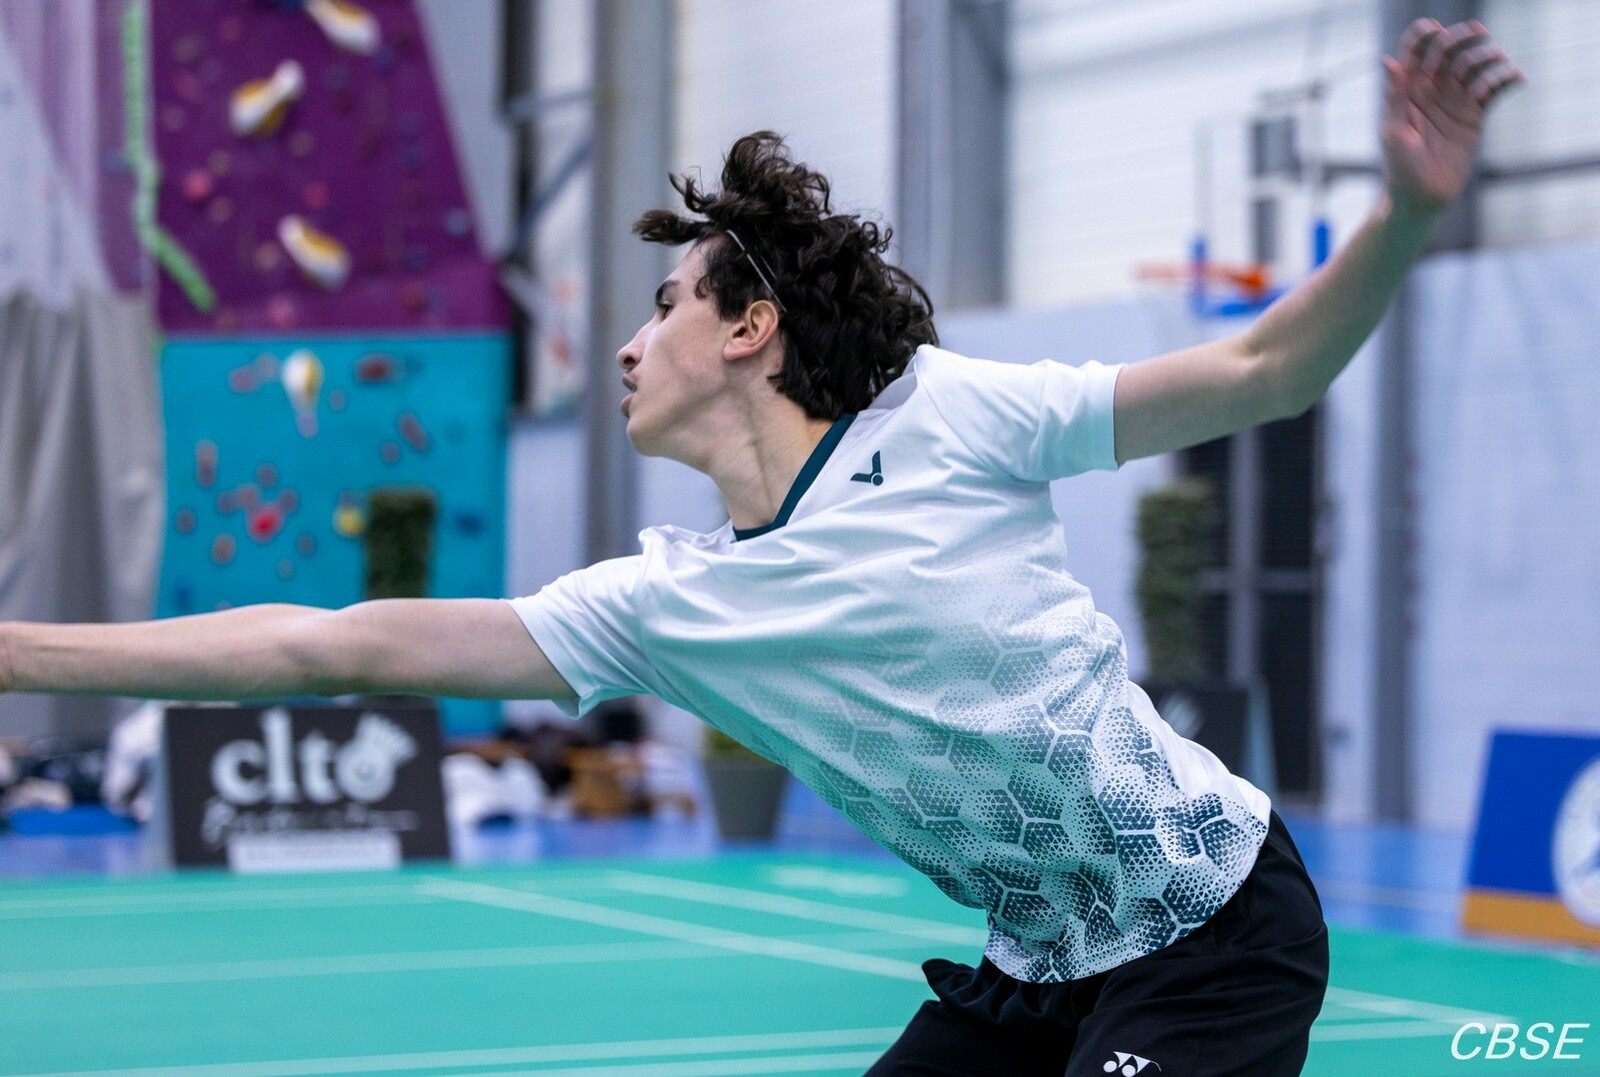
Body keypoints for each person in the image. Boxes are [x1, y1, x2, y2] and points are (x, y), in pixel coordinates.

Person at [0, 19, 1522, 1076]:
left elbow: (1264, 370)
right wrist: (17, 653)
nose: (627, 343)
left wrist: (1401, 214)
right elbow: (323, 641)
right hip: (1036, 965)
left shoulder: (952, 415)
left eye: (664, 306)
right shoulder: (667, 603)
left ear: (749, 327)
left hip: (1210, 924)